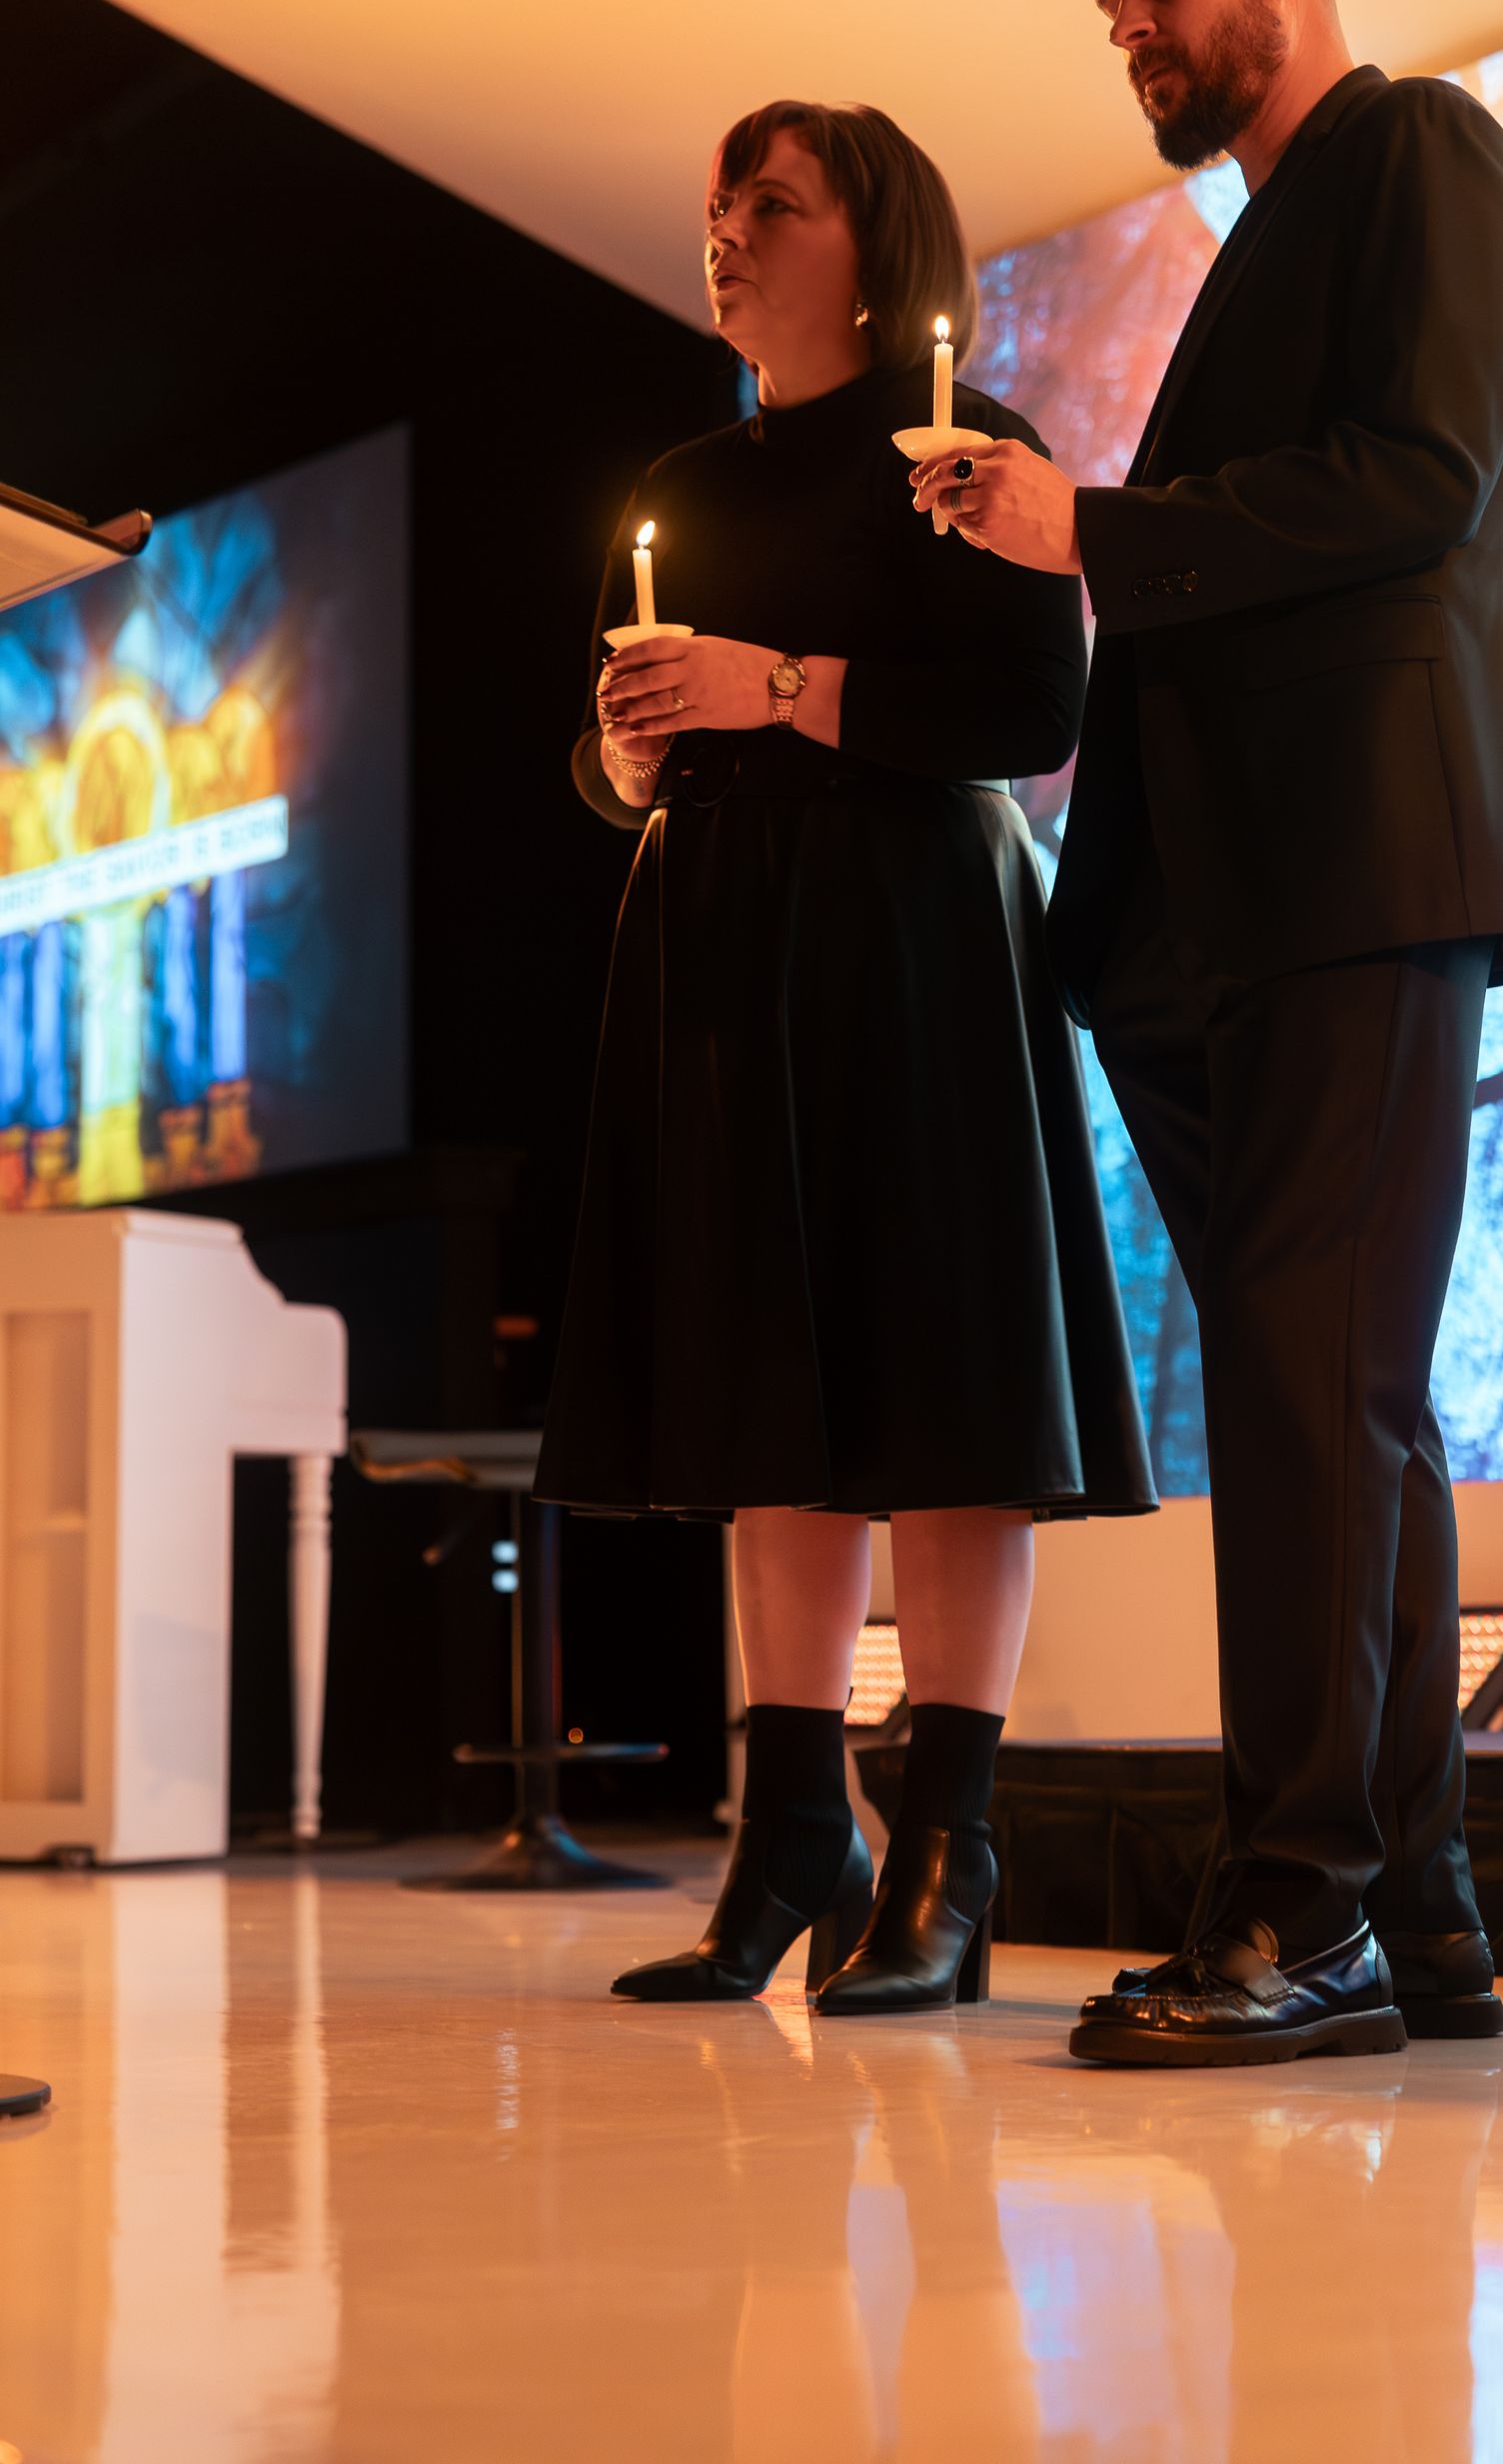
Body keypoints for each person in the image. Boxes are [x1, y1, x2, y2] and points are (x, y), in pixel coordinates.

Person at [912, 0, 1503, 2066]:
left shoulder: (1426, 154)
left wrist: (1089, 527)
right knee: (1337, 1400)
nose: (1129, 23)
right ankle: (1420, 1908)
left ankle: (1301, 1912)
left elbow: (1419, 479)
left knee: (1314, 1399)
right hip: (1229, 924)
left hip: (1365, 879)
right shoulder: (1268, 241)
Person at [536, 99, 1154, 2015]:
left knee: (949, 1377)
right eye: (717, 203)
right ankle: (794, 1823)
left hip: (920, 944)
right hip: (726, 953)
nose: (724, 233)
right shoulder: (683, 480)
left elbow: (1034, 709)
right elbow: (618, 758)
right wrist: (627, 752)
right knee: (764, 1380)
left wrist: (778, 689)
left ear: (872, 247)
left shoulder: (968, 456)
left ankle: (951, 1844)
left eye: (770, 203)